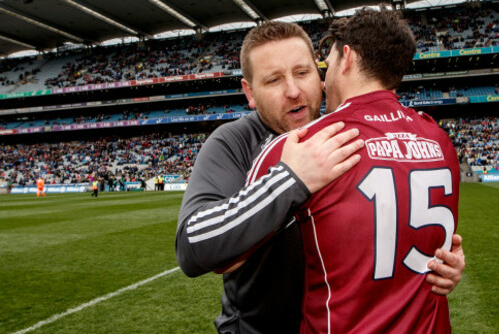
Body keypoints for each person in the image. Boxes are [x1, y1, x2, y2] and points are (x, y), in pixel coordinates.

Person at [176, 21, 466, 333]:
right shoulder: (232, 143)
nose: (293, 90)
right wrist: (288, 180)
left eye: (303, 73)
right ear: (250, 92)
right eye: (274, 80)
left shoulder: (351, 133)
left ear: (321, 74)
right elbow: (193, 249)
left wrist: (437, 261)